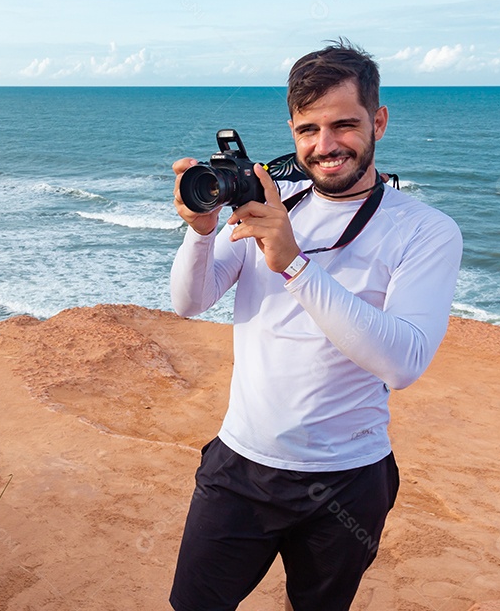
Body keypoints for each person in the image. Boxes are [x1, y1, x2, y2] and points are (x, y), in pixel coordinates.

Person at [168, 40, 462, 611]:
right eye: (308, 130)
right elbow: (190, 300)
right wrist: (201, 231)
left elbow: (402, 363)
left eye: (344, 125)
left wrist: (296, 266)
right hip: (241, 465)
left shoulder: (425, 231)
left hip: (349, 478)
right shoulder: (274, 208)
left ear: (378, 121)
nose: (325, 146)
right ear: (292, 130)